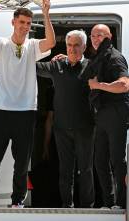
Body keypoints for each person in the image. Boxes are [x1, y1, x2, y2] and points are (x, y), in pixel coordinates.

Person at [0, 0, 56, 208]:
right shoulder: (1, 44)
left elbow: (51, 43)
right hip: (1, 111)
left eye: (28, 23)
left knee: (21, 162)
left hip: (26, 112)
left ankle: (17, 201)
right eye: (22, 22)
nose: (25, 26)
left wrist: (46, 13)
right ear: (13, 22)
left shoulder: (33, 46)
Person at [36, 30, 94, 208]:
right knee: (65, 170)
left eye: (77, 45)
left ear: (84, 47)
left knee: (85, 170)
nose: (72, 49)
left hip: (85, 128)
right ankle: (66, 205)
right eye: (69, 45)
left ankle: (87, 207)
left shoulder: (92, 67)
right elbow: (33, 66)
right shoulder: (57, 66)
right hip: (61, 129)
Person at [87, 24, 129, 209]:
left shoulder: (115, 57)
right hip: (103, 114)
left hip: (116, 112)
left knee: (117, 160)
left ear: (109, 37)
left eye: (100, 35)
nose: (96, 39)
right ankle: (109, 201)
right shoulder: (98, 58)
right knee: (100, 160)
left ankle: (121, 202)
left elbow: (124, 85)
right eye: (93, 36)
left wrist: (99, 86)